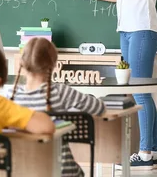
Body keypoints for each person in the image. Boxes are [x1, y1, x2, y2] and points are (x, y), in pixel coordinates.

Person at [76, 0, 157, 170]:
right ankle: (153, 150)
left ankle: (145, 152)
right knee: (140, 91)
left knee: (139, 92)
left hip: (143, 30)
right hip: (126, 30)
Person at [9, 37, 105, 177]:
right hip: (61, 171)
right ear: (53, 64)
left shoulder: (8, 96)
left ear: (22, 63)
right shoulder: (60, 92)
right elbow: (98, 108)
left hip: (19, 170)